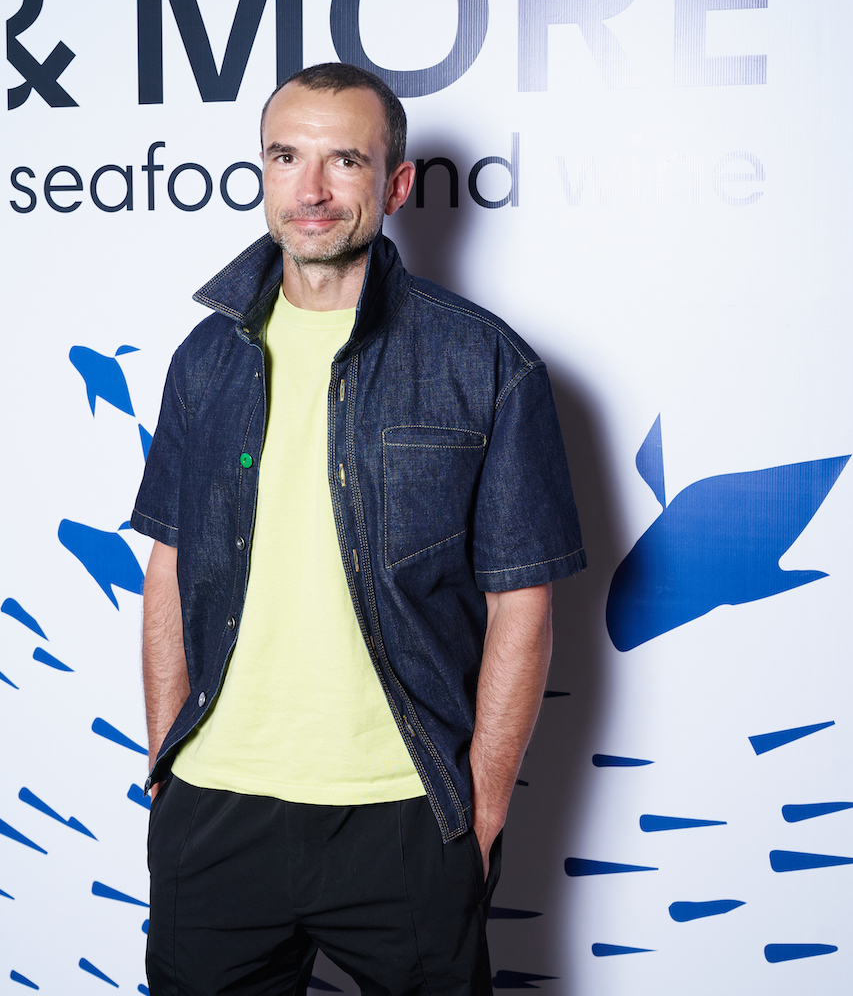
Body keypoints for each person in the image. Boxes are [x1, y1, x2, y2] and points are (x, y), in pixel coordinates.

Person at [133, 62, 585, 996]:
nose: (310, 190)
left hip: (404, 811)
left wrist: (479, 810)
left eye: (344, 161)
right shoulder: (205, 357)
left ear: (396, 182)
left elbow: (524, 605)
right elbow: (168, 567)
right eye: (285, 157)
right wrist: (165, 770)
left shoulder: (483, 361)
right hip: (215, 808)